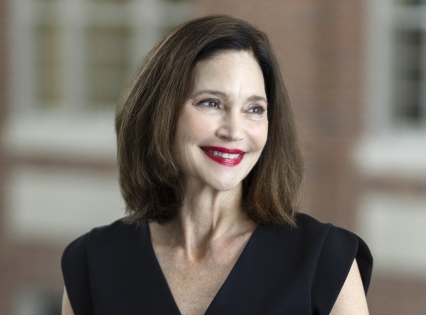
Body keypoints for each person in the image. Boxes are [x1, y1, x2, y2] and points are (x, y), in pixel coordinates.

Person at [61, 15, 372, 315]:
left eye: (254, 109)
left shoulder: (326, 260)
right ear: (161, 112)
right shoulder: (92, 262)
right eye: (211, 103)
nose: (234, 131)